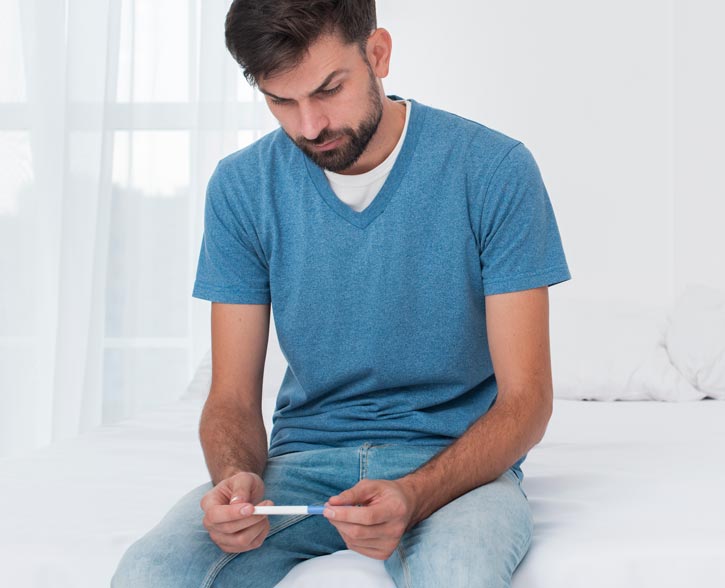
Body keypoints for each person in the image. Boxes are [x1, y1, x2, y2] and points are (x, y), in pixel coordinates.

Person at [112, 0, 569, 586]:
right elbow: (229, 397)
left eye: (328, 89)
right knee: (149, 572)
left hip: (454, 468)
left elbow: (527, 403)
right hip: (299, 464)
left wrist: (416, 492)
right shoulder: (241, 186)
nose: (309, 126)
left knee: (459, 571)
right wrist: (235, 476)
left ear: (377, 54)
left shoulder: (493, 168)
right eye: (282, 100)